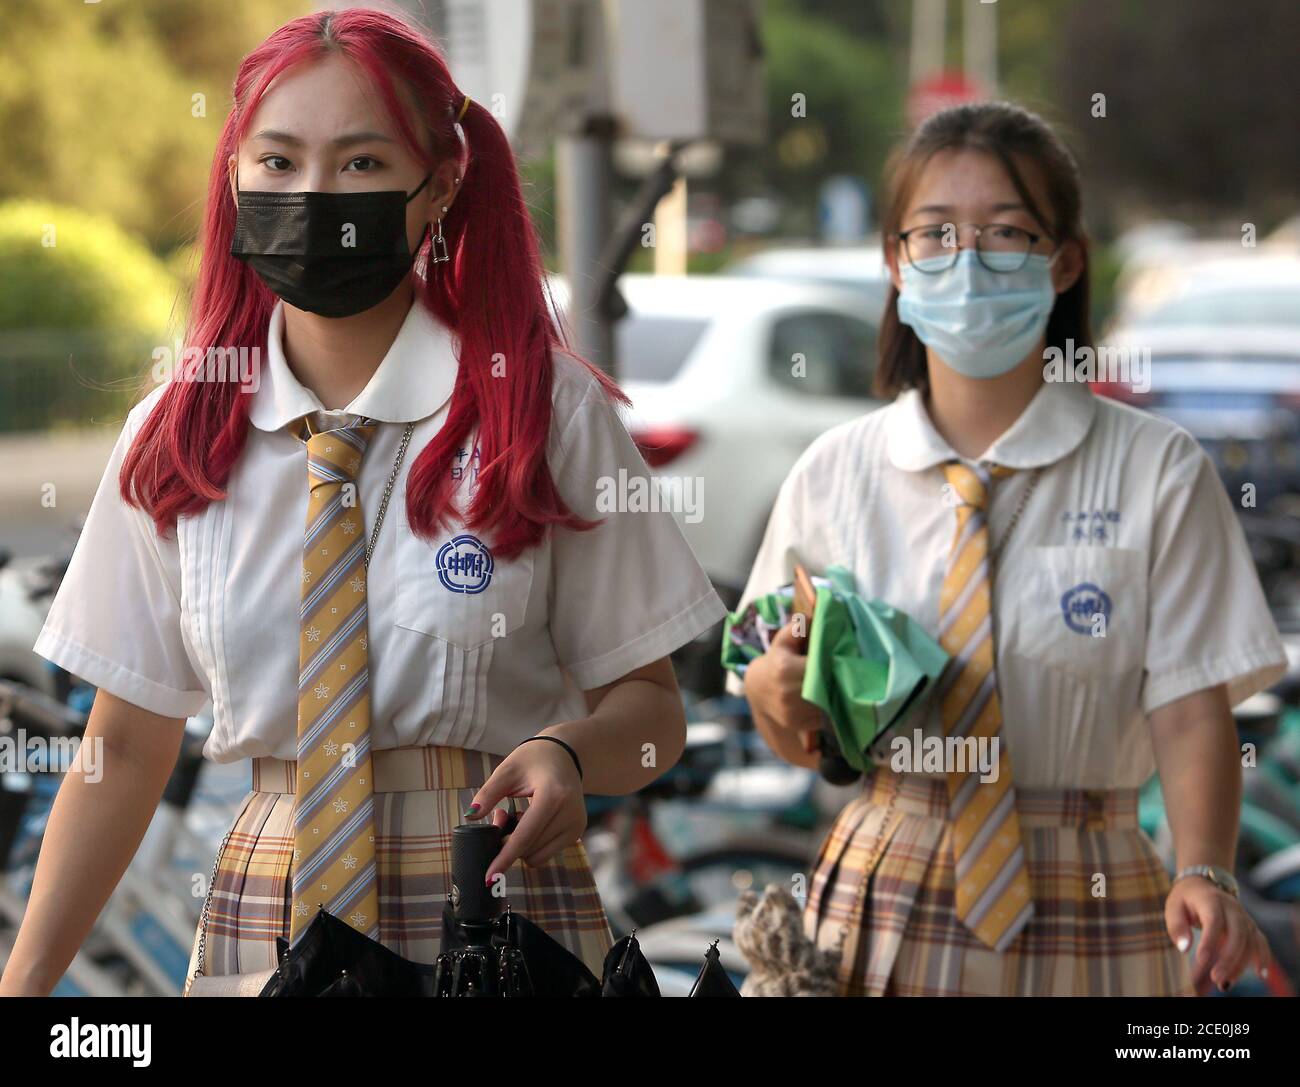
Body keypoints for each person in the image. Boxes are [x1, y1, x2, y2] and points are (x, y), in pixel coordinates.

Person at [0, 8, 724, 996]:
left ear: (443, 182)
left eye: (361, 164)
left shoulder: (541, 410)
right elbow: (122, 745)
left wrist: (565, 752)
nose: (314, 195)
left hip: (497, 914)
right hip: (265, 921)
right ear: (234, 174)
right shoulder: (176, 438)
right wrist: (26, 983)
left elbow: (652, 720)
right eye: (279, 160)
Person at [735, 101, 1286, 996]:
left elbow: (1190, 707)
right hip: (887, 889)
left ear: (1064, 261)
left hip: (1098, 891)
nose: (969, 261)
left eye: (1006, 232)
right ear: (894, 262)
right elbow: (800, 726)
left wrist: (1207, 869)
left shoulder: (1156, 468)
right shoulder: (834, 473)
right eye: (937, 233)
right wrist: (772, 695)